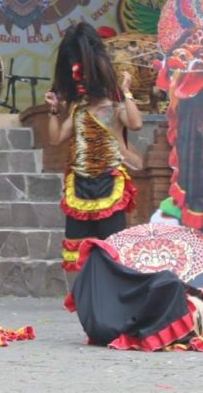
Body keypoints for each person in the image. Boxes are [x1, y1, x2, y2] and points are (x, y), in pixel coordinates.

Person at [44, 22, 143, 272]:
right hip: (79, 186)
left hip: (109, 183)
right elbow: (56, 139)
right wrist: (54, 108)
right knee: (79, 253)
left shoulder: (114, 107)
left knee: (112, 251)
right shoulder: (77, 109)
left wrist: (126, 92)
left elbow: (137, 124)